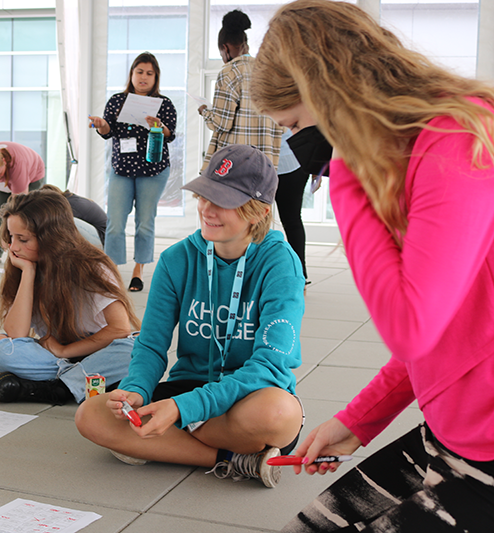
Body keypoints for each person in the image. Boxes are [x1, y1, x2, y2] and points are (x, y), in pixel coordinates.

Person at [251, 0, 494, 529]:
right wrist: (360, 419)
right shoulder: (407, 151)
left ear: (325, 95)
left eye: (295, 123)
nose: (297, 143)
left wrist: (347, 175)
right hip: (452, 429)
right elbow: (452, 331)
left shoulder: (454, 139)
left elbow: (412, 327)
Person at [76, 144, 305, 489]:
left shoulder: (280, 262)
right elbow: (151, 345)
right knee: (90, 415)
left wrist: (183, 410)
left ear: (257, 211)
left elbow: (270, 365)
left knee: (279, 414)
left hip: (250, 396)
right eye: (203, 195)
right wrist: (137, 390)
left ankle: (165, 441)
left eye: (222, 200)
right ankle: (237, 460)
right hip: (191, 388)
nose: (206, 209)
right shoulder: (176, 260)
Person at [0, 188, 141, 405]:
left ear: (50, 237)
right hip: (54, 354)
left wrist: (66, 350)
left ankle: (58, 389)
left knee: (136, 350)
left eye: (23, 239)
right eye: (11, 237)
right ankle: (83, 379)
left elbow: (120, 329)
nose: (14, 248)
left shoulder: (93, 266)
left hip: (97, 347)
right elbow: (16, 334)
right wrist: (28, 273)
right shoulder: (23, 264)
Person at [89, 52, 177, 292]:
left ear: (155, 77)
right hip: (122, 169)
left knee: (144, 222)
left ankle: (138, 272)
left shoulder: (164, 103)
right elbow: (107, 130)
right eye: (140, 72)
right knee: (115, 223)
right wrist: (100, 123)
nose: (144, 77)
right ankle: (113, 274)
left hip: (153, 170)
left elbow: (171, 134)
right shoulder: (117, 100)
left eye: (149, 73)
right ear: (132, 74)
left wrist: (159, 126)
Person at [198, 10, 282, 170]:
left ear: (225, 48)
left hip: (233, 165)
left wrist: (205, 112)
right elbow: (282, 124)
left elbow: (221, 124)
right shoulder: (270, 71)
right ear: (245, 45)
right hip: (265, 165)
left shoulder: (229, 72)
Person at [0, 142, 45, 264]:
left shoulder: (18, 164)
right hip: (9, 175)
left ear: (4, 162)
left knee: (25, 213)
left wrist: (9, 233)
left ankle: (30, 253)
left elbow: (18, 204)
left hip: (32, 174)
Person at [275, 130, 313, 282]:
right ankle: (300, 275)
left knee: (254, 218)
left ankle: (299, 274)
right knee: (292, 220)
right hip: (296, 160)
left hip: (283, 160)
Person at [40, 184, 107, 247]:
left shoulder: (70, 205)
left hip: (103, 240)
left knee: (62, 222)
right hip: (103, 237)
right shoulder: (72, 199)